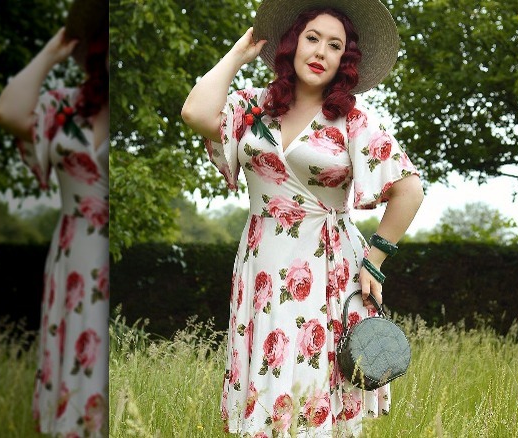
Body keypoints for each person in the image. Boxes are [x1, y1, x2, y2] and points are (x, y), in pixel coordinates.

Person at [181, 0, 424, 436]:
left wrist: (376, 259)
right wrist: (238, 55)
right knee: (268, 384)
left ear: (345, 60)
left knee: (315, 385)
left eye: (335, 46)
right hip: (262, 262)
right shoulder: (254, 107)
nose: (321, 52)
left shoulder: (353, 120)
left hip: (328, 265)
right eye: (312, 38)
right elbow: (195, 113)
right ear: (293, 43)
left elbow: (410, 190)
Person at [0, 0, 109, 435]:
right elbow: (7, 113)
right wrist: (53, 51)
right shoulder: (64, 107)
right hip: (75, 251)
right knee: (76, 362)